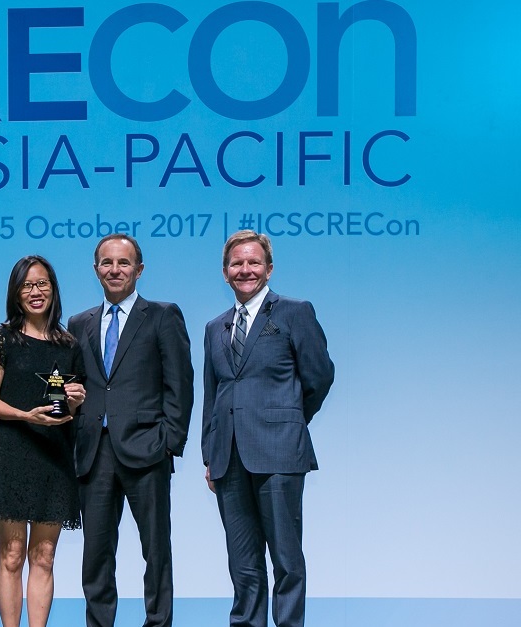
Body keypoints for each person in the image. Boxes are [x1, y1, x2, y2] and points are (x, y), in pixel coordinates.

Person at [201, 230, 334, 627]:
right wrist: (210, 455)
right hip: (229, 457)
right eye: (237, 264)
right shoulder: (215, 327)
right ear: (225, 273)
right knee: (243, 565)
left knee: (286, 560)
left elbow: (319, 377)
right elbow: (213, 394)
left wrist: (289, 419)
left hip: (279, 452)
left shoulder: (295, 312)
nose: (246, 270)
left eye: (253, 262)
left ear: (269, 268)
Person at [67, 234, 194, 627]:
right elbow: (74, 384)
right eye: (107, 263)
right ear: (95, 269)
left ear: (139, 269)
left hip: (147, 449)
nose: (115, 270)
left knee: (156, 552)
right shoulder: (78, 322)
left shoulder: (162, 315)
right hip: (94, 453)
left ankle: (158, 623)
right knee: (97, 554)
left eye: (124, 263)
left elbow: (180, 384)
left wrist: (170, 442)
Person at [0, 255, 87, 627]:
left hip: (54, 457)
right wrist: (27, 416)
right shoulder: (3, 337)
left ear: (54, 290)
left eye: (42, 284)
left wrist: (73, 400)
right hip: (12, 451)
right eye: (27, 285)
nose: (35, 292)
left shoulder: (69, 343)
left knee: (44, 556)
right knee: (11, 556)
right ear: (16, 292)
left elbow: (66, 403)